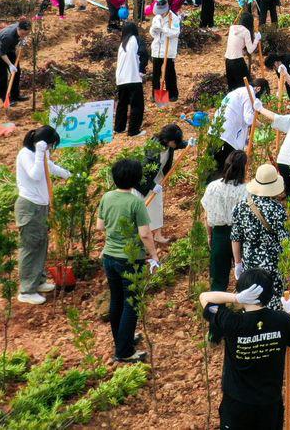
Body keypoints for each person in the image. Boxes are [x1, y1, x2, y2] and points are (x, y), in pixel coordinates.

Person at [200, 269, 290, 430]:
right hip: (269, 405)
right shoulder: (282, 320)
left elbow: (204, 297)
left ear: (243, 292)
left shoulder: (231, 321)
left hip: (237, 405)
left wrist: (235, 298)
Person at [97, 158, 153, 363]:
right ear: (136, 179)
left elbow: (100, 226)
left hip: (110, 257)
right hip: (130, 259)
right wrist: (154, 255)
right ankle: (124, 351)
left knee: (117, 299)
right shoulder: (136, 202)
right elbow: (145, 233)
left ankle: (123, 339)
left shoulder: (107, 196)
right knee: (132, 303)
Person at [14, 126, 71, 305]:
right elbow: (36, 175)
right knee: (30, 247)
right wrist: (40, 151)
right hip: (29, 207)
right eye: (49, 145)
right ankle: (26, 290)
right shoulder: (25, 154)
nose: (49, 149)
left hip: (41, 206)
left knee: (41, 244)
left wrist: (68, 175)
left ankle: (38, 281)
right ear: (41, 144)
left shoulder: (40, 154)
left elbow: (49, 167)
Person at [230, 164, 290, 310]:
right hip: (274, 263)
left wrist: (238, 263)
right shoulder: (278, 209)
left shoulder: (241, 207)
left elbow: (236, 237)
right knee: (274, 300)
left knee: (253, 299)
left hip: (250, 262)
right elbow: (285, 241)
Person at [202, 151, 249, 292]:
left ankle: (216, 308)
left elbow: (207, 215)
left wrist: (210, 235)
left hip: (219, 233)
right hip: (241, 235)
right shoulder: (246, 190)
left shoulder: (213, 187)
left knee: (218, 278)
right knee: (245, 276)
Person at [140, 124, 188, 246]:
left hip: (158, 179)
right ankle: (140, 236)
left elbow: (177, 145)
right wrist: (151, 186)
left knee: (157, 206)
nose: (176, 144)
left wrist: (188, 143)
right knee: (143, 206)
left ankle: (158, 235)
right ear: (168, 140)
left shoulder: (168, 144)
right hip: (147, 183)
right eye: (175, 142)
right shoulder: (153, 150)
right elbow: (143, 173)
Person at [112, 20, 149, 138]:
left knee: (122, 104)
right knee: (137, 105)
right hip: (132, 77)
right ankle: (133, 131)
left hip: (121, 79)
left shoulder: (122, 44)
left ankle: (119, 128)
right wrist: (142, 71)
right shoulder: (136, 40)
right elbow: (144, 55)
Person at [0, 18, 31, 107]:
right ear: (18, 29)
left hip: (9, 49)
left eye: (26, 34)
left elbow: (22, 35)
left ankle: (15, 96)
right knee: (3, 76)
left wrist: (22, 39)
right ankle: (5, 99)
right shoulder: (8, 36)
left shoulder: (21, 26)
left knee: (16, 72)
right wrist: (10, 65)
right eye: (23, 34)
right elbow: (2, 53)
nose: (24, 35)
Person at [148, 2, 181, 102]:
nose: (161, 14)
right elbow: (153, 34)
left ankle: (172, 94)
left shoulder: (174, 18)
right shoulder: (156, 18)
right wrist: (155, 30)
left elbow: (176, 33)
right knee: (156, 73)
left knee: (169, 72)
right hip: (157, 49)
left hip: (168, 50)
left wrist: (164, 30)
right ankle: (155, 94)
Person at [225, 9, 260, 91]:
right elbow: (250, 50)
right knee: (246, 86)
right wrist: (256, 39)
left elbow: (236, 44)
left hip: (228, 61)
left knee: (232, 87)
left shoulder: (232, 28)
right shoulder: (246, 31)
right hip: (237, 61)